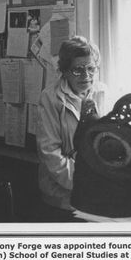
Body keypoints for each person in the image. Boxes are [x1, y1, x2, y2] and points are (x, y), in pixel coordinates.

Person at [36, 36, 105, 218]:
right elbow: (50, 153)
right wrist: (85, 181)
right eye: (77, 70)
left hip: (97, 191)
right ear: (64, 71)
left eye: (91, 68)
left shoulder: (103, 93)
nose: (86, 76)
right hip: (62, 198)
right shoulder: (50, 98)